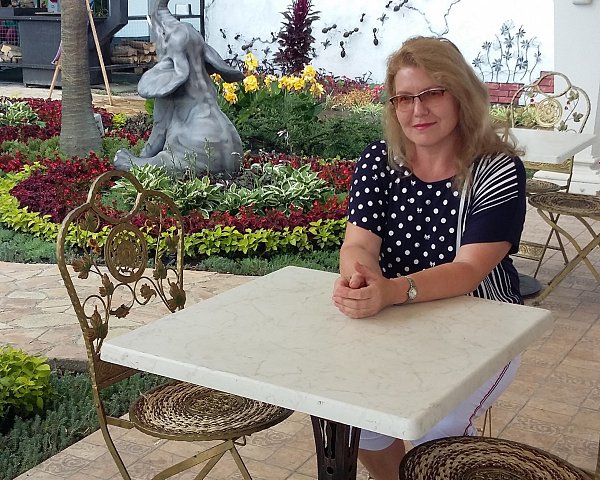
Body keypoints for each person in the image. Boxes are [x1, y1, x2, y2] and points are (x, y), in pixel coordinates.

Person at [332, 36, 526, 480]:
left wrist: (392, 291)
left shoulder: (496, 168)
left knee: (436, 434)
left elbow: (469, 270)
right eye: (404, 98)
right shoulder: (380, 161)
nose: (418, 110)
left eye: (432, 93)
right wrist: (361, 280)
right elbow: (358, 244)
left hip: (485, 325)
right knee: (360, 420)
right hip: (398, 322)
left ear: (460, 96)